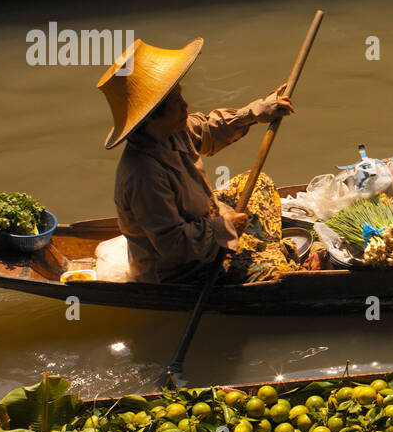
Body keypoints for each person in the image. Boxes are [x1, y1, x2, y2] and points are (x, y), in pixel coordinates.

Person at [96, 37, 296, 284]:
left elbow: (209, 128)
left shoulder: (173, 130)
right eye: (176, 103)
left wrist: (255, 112)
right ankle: (259, 253)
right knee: (279, 274)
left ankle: (254, 246)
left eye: (181, 97)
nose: (185, 106)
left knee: (258, 183)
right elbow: (174, 245)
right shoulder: (143, 174)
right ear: (150, 118)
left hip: (204, 221)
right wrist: (222, 227)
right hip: (181, 270)